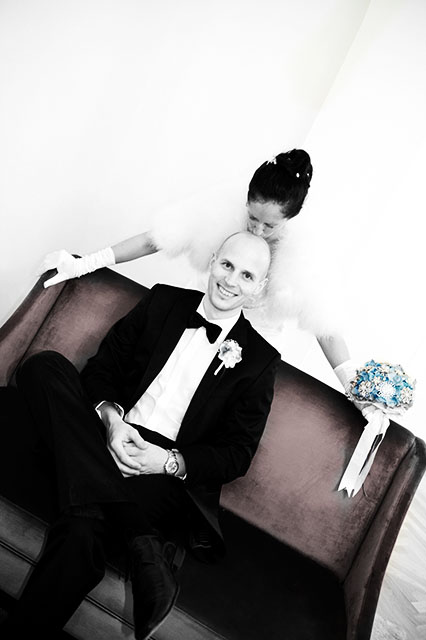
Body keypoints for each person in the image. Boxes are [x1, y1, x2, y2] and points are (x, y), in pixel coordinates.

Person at [2, 231, 280, 640]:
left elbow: (237, 453)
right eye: (227, 265)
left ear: (259, 288)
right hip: (105, 430)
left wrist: (165, 461)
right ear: (213, 260)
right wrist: (113, 422)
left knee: (82, 529)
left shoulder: (260, 360)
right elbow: (102, 369)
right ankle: (142, 542)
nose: (231, 281)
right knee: (43, 366)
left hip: (162, 471)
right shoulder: (163, 300)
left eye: (247, 275)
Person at [38, 148, 352, 381]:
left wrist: (356, 390)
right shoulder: (219, 212)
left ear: (291, 218)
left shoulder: (305, 255)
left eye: (269, 225)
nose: (257, 230)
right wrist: (85, 264)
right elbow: (154, 240)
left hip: (248, 351)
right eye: (252, 218)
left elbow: (325, 327)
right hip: (196, 318)